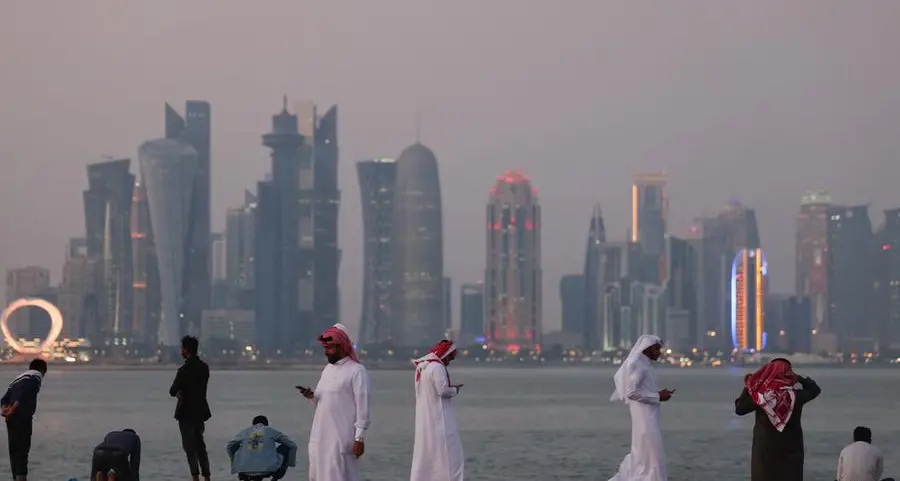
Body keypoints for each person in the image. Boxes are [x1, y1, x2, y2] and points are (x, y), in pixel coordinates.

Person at [297, 323, 371, 481]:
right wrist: (311, 396)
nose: (326, 352)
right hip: (319, 436)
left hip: (341, 438)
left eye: (330, 348)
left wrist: (359, 438)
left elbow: (363, 408)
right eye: (325, 348)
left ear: (342, 347)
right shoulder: (327, 370)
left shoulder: (357, 371)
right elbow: (322, 400)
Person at [735, 357, 821, 481]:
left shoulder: (760, 397)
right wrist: (800, 378)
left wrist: (750, 385)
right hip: (792, 452)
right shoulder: (796, 396)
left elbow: (740, 409)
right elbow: (815, 390)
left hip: (764, 452)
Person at [607, 334, 672, 481]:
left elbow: (642, 391)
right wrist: (658, 397)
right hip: (645, 420)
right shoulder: (639, 366)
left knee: (647, 454)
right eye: (656, 349)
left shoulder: (645, 366)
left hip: (649, 417)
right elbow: (631, 392)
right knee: (652, 455)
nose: (659, 353)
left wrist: (658, 394)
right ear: (647, 349)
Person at [410, 340, 465, 481]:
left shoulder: (422, 367)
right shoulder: (437, 367)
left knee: (426, 452)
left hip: (425, 418)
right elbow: (443, 391)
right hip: (440, 418)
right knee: (451, 453)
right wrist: (455, 390)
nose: (450, 361)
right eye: (450, 357)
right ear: (445, 354)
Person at [169, 335, 212, 481]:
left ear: (186, 350)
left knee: (189, 448)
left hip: (186, 412)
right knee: (200, 446)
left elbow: (172, 390)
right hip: (200, 411)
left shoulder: (183, 370)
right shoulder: (204, 367)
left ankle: (195, 477)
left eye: (182, 349)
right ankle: (207, 476)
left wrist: (180, 392)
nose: (181, 351)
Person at [1, 358, 48, 481]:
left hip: (10, 419)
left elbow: (4, 399)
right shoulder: (36, 376)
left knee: (14, 450)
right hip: (21, 416)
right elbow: (25, 392)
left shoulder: (17, 379)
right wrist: (14, 408)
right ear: (42, 370)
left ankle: (15, 478)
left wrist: (5, 410)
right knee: (22, 451)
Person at [227, 415, 298, 480]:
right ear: (266, 424)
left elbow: (229, 446)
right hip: (268, 469)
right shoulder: (270, 430)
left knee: (236, 447)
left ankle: (244, 474)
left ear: (253, 424)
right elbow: (293, 446)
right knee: (285, 447)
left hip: (244, 470)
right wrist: (290, 464)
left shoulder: (245, 432)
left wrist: (236, 463)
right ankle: (276, 478)